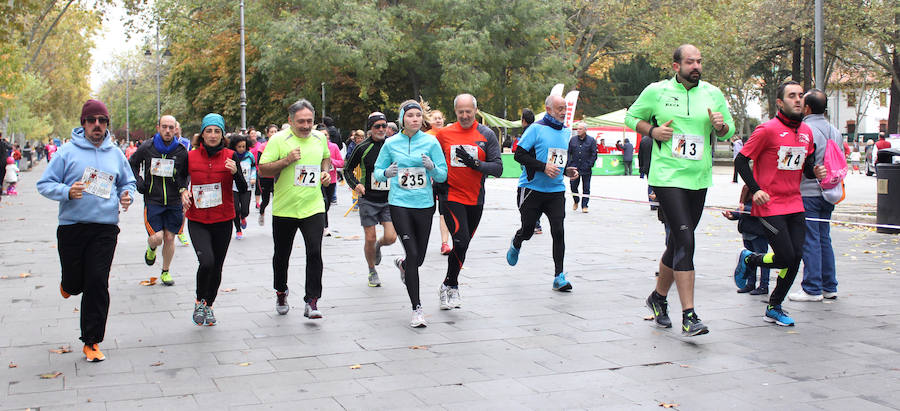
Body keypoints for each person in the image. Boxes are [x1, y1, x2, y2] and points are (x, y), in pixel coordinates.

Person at [625, 44, 735, 336]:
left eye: (699, 61)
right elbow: (630, 117)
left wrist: (721, 127)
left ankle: (657, 299)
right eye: (690, 62)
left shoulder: (712, 93)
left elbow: (730, 130)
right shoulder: (656, 91)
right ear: (676, 66)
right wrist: (652, 131)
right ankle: (689, 315)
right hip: (667, 176)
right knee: (686, 240)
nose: (696, 66)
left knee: (676, 243)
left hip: (698, 178)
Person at [37, 99, 136, 362]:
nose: (97, 125)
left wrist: (127, 196)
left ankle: (91, 341)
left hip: (104, 228)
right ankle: (68, 283)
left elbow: (128, 182)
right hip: (72, 227)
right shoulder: (66, 152)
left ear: (107, 125)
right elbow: (44, 183)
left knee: (97, 282)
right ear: (83, 123)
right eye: (92, 120)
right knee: (75, 281)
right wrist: (66, 191)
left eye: (102, 121)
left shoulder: (115, 153)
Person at [733, 81, 827, 326]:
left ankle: (774, 307)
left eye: (800, 96)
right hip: (769, 204)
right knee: (786, 256)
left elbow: (805, 166)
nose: (798, 100)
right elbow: (741, 161)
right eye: (792, 96)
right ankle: (749, 259)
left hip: (795, 203)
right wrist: (756, 190)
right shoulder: (767, 130)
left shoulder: (806, 133)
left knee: (796, 257)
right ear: (779, 102)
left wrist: (815, 171)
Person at [373, 100, 448, 327]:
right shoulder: (390, 143)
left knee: (419, 258)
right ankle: (417, 309)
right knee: (413, 253)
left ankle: (405, 265)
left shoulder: (431, 142)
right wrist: (386, 172)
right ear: (402, 119)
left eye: (418, 115)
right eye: (410, 115)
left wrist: (433, 168)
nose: (414, 119)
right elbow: (377, 173)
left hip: (424, 204)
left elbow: (443, 175)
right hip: (399, 204)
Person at [259, 99, 332, 319]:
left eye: (310, 121)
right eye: (301, 121)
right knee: (282, 255)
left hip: (313, 206)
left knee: (314, 252)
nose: (306, 125)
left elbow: (326, 159)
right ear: (290, 121)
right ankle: (281, 291)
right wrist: (286, 160)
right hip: (285, 208)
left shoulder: (320, 138)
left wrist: (325, 173)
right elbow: (263, 169)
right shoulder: (279, 140)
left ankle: (312, 300)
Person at [434, 94, 503, 309]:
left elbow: (498, 168)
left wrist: (476, 164)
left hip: (475, 198)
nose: (464, 115)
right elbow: (434, 164)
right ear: (455, 112)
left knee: (463, 245)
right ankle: (452, 286)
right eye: (460, 112)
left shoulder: (486, 134)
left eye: (468, 111)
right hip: (451, 196)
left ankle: (447, 283)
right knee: (461, 240)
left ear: (475, 110)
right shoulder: (444, 135)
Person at [506, 94, 580, 292]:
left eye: (565, 108)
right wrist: (542, 167)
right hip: (531, 189)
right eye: (559, 109)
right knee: (529, 230)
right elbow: (518, 155)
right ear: (548, 110)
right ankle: (517, 240)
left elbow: (557, 160)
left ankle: (559, 276)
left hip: (555, 190)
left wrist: (566, 171)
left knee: (559, 231)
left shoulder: (566, 132)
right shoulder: (536, 129)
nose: (563, 112)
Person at [181, 113, 248, 326]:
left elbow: (244, 187)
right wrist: (183, 190)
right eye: (208, 131)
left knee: (217, 265)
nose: (212, 135)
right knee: (206, 261)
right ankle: (199, 300)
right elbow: (180, 179)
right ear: (202, 134)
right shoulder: (190, 156)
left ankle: (209, 305)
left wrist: (236, 172)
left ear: (222, 134)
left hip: (222, 219)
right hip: (198, 218)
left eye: (216, 131)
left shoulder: (230, 155)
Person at [790, 89, 841, 302]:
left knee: (809, 239)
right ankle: (829, 286)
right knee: (823, 238)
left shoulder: (804, 129)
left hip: (808, 191)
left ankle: (812, 288)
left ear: (808, 107)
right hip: (830, 192)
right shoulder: (835, 131)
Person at [129, 115, 189, 286]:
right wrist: (138, 182)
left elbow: (185, 173)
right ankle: (151, 248)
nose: (168, 130)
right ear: (158, 128)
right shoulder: (147, 147)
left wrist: (183, 189)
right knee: (157, 238)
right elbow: (132, 163)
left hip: (173, 201)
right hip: (153, 200)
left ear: (175, 129)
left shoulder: (180, 150)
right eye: (164, 127)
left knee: (170, 237)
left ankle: (165, 271)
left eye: (171, 127)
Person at [343, 112, 398, 287]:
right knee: (370, 236)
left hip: (388, 199)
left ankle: (378, 248)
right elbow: (347, 169)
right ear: (370, 129)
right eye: (377, 126)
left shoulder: (392, 145)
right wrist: (356, 185)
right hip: (368, 199)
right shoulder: (362, 147)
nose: (381, 129)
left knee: (390, 237)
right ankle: (372, 270)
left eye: (384, 126)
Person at [722, 186, 770, 295]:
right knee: (749, 259)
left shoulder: (763, 189)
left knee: (763, 260)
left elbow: (762, 210)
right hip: (747, 231)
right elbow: (742, 208)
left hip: (759, 233)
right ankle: (750, 283)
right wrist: (733, 215)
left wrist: (745, 210)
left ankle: (763, 286)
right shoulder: (747, 188)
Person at [228, 134, 256, 240]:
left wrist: (253, 177)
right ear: (234, 146)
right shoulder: (231, 156)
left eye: (243, 146)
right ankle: (238, 230)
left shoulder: (249, 156)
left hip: (247, 186)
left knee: (245, 210)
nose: (241, 149)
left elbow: (254, 168)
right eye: (239, 146)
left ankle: (243, 217)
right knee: (235, 209)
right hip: (234, 187)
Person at [566, 121, 597, 213]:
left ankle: (585, 205)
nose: (578, 130)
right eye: (577, 129)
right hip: (574, 168)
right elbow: (568, 152)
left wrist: (589, 164)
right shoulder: (573, 140)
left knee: (586, 187)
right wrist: (569, 164)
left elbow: (594, 154)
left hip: (586, 168)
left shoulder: (591, 140)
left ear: (585, 130)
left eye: (580, 129)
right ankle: (576, 200)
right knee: (573, 186)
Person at [256, 125, 278, 224]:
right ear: (268, 134)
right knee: (266, 200)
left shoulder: (280, 145)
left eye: (275, 131)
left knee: (277, 199)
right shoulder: (263, 146)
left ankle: (278, 218)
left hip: (277, 177)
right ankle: (261, 212)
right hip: (265, 177)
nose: (274, 134)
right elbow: (259, 162)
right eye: (272, 132)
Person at [322, 138, 344, 236]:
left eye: (326, 135)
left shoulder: (333, 147)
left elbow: (341, 162)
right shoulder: (314, 146)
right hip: (318, 180)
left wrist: (332, 161)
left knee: (327, 204)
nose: (324, 137)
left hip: (332, 180)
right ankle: (324, 227)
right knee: (324, 202)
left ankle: (322, 223)